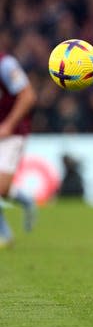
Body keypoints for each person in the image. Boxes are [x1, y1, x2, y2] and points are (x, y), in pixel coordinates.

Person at [0, 52, 37, 247]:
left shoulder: (6, 64)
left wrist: (8, 124)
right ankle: (4, 235)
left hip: (11, 133)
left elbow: (28, 96)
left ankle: (25, 202)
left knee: (1, 189)